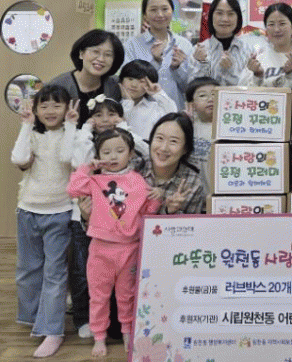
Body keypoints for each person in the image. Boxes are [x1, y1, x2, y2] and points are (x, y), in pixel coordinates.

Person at [67, 128, 160, 357]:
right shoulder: (95, 180)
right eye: (106, 152)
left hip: (129, 248)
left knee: (126, 296)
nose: (113, 156)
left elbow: (148, 212)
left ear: (131, 153)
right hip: (100, 248)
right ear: (98, 155)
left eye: (120, 150)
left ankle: (128, 332)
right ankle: (99, 336)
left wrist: (157, 199)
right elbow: (73, 188)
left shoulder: (138, 181)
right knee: (98, 296)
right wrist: (87, 167)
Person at [11, 85, 77, 358]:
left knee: (55, 273)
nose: (50, 110)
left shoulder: (73, 134)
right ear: (36, 110)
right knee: (27, 270)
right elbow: (18, 158)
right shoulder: (32, 134)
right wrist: (26, 125)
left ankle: (53, 331)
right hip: (27, 210)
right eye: (44, 105)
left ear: (67, 108)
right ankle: (33, 318)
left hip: (59, 212)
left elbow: (67, 158)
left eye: (57, 105)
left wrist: (71, 126)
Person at [123, 0, 193, 109]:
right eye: (153, 10)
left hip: (175, 114)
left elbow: (190, 88)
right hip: (141, 114)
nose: (160, 15)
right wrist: (155, 62)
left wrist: (177, 68)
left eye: (165, 9)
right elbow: (128, 86)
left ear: (172, 12)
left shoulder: (185, 45)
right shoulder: (132, 45)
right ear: (145, 15)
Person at [49, 29, 125, 127]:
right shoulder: (58, 86)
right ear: (81, 54)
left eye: (108, 55)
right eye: (95, 52)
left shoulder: (116, 85)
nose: (101, 59)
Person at [136, 112, 206, 214]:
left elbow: (190, 223)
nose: (164, 148)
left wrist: (170, 212)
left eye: (173, 141)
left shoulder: (192, 184)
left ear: (185, 149)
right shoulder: (135, 167)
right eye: (159, 138)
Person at [239, 3, 292, 88]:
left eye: (282, 24)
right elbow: (244, 92)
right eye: (271, 24)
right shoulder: (258, 60)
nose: (276, 29)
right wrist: (257, 76)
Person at [188, 0, 253, 86]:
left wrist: (231, 72)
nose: (225, 19)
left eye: (230, 14)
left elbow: (251, 86)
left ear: (238, 18)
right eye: (219, 13)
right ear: (211, 16)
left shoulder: (248, 51)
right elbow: (192, 87)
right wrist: (202, 64)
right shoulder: (198, 50)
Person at [119, 59, 177, 139]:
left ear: (150, 84)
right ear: (121, 81)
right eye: (130, 79)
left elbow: (172, 114)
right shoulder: (113, 105)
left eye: (141, 81)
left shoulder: (154, 108)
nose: (134, 85)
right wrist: (127, 102)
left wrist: (158, 93)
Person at [185, 76, 218, 195]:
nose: (210, 99)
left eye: (214, 94)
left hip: (220, 196)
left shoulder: (228, 129)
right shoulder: (188, 128)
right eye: (203, 95)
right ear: (192, 105)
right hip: (194, 197)